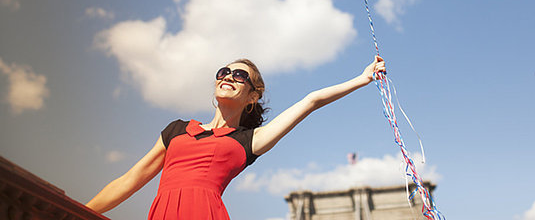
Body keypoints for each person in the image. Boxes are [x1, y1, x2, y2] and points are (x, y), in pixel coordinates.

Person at [86, 56, 386, 219]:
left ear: (253, 96)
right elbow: (130, 179)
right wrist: (78, 212)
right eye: (224, 71)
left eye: (240, 75)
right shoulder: (176, 129)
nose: (228, 76)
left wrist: (363, 78)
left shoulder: (249, 141)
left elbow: (311, 100)